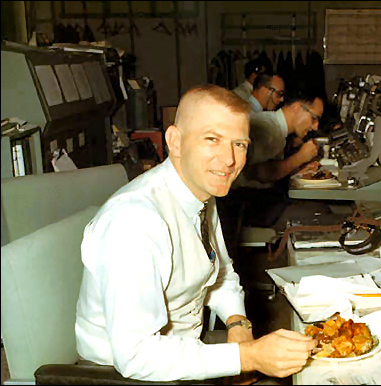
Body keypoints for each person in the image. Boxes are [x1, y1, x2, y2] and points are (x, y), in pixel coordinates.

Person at [75, 84, 316, 382]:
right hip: (123, 375)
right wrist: (246, 357)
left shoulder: (200, 192)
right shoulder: (135, 221)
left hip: (182, 354)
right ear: (175, 141)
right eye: (212, 139)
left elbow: (222, 272)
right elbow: (135, 355)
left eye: (239, 144)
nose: (228, 159)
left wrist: (237, 322)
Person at [235, 92, 324, 189]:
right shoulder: (266, 127)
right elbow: (257, 173)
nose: (316, 127)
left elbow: (275, 168)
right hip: (244, 197)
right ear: (296, 108)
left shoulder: (278, 129)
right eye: (314, 118)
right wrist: (300, 157)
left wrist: (298, 169)